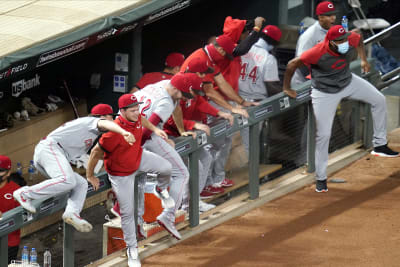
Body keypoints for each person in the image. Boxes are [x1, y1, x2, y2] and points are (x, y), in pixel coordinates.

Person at [283, 25, 399, 193]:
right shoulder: (316, 52)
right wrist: (287, 87)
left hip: (348, 82)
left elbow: (358, 39)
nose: (344, 42)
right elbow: (292, 64)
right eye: (339, 40)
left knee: (379, 100)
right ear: (330, 41)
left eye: (344, 39)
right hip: (325, 92)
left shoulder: (349, 39)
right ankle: (321, 179)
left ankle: (380, 145)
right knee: (323, 135)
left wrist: (363, 59)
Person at [13, 104, 135, 232]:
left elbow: (97, 153)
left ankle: (72, 213)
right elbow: (105, 123)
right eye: (111, 117)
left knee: (80, 184)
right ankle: (24, 193)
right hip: (50, 149)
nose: (113, 120)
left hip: (52, 153)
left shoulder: (92, 131)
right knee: (67, 180)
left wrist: (90, 175)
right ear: (103, 116)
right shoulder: (91, 122)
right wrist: (124, 132)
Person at [86, 94, 174, 267]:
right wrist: (90, 175)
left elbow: (143, 119)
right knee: (127, 212)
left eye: (137, 108)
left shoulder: (137, 117)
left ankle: (161, 190)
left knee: (166, 168)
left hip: (138, 158)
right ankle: (132, 249)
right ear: (123, 111)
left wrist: (155, 130)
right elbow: (96, 152)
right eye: (132, 110)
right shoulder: (113, 131)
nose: (137, 112)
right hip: (121, 174)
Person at [163, 73, 234, 209]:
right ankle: (185, 205)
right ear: (188, 89)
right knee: (194, 167)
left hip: (185, 135)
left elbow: (201, 103)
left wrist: (219, 113)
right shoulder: (177, 96)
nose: (196, 95)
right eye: (194, 91)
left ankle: (194, 201)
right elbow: (170, 120)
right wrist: (193, 124)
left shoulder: (192, 95)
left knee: (205, 158)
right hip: (171, 137)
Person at [238, 25, 282, 154]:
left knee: (230, 144)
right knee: (249, 144)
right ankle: (249, 172)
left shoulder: (242, 49)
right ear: (273, 43)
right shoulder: (269, 59)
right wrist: (286, 93)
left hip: (235, 101)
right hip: (255, 105)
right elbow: (271, 86)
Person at [291, 1, 337, 85]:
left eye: (334, 15)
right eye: (329, 15)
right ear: (320, 17)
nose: (333, 18)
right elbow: (301, 64)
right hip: (303, 84)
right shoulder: (309, 35)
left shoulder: (332, 31)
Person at [0, 155, 21, 264]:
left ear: (8, 173)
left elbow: (23, 216)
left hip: (9, 242)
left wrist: (4, 216)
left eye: (0, 171)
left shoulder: (16, 191)